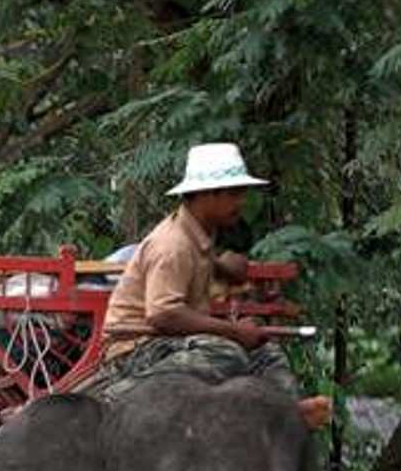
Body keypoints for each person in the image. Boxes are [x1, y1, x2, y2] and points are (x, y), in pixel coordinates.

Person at [95, 142, 332, 429]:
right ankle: (119, 396)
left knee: (265, 353)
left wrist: (221, 266)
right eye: (234, 193)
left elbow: (196, 271)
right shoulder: (172, 245)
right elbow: (162, 314)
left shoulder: (199, 236)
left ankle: (287, 414)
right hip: (136, 348)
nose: (241, 202)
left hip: (171, 342)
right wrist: (234, 331)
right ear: (207, 194)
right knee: (225, 353)